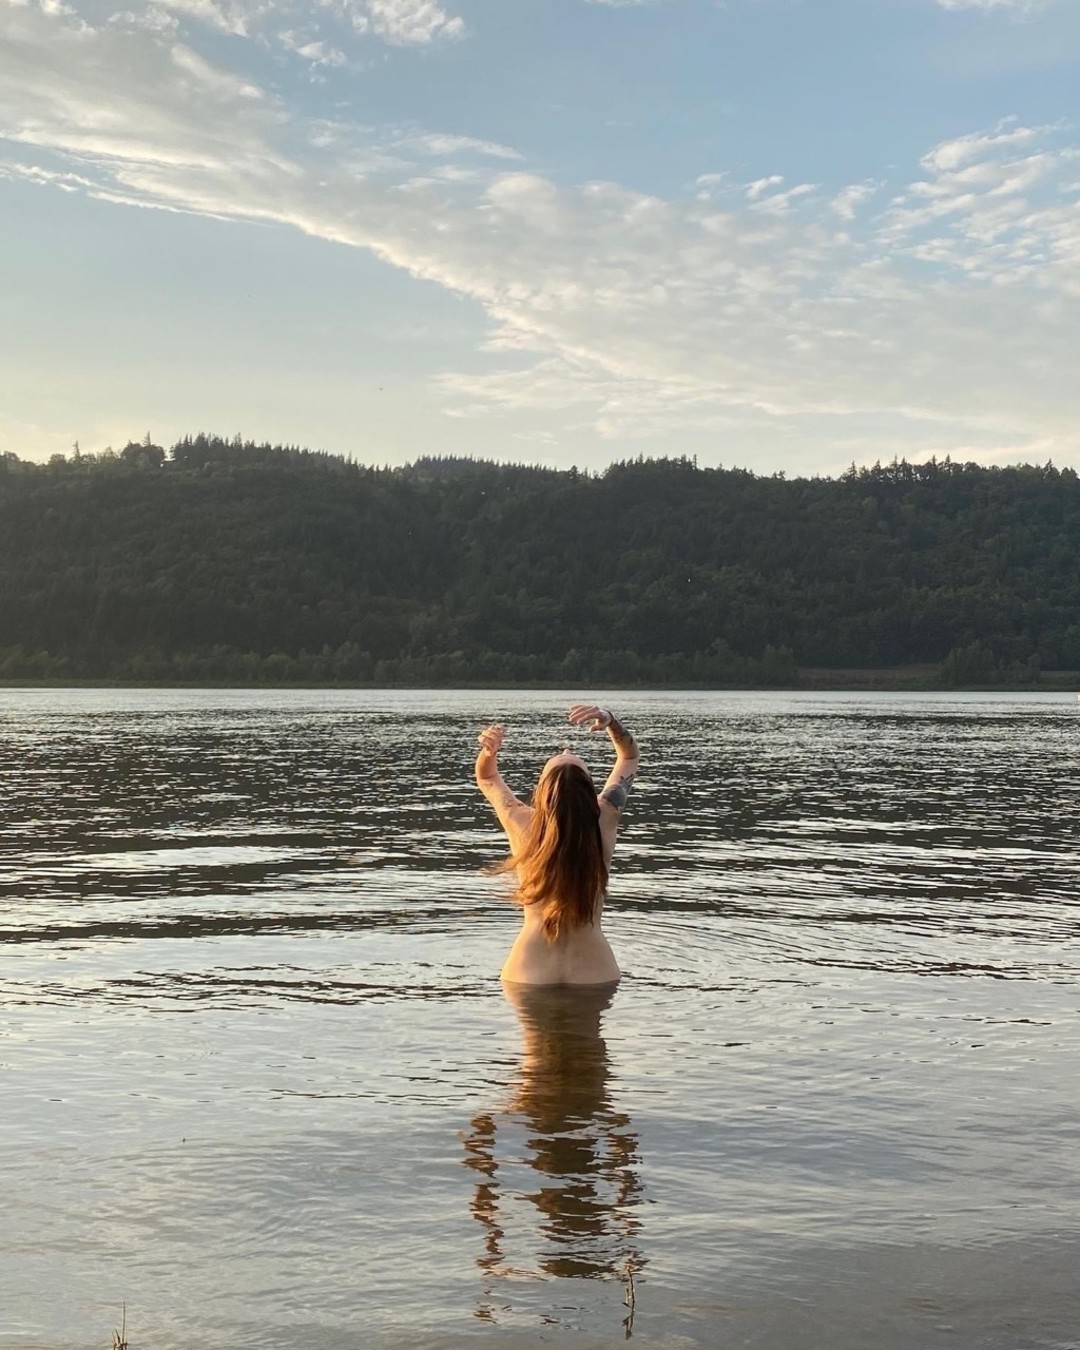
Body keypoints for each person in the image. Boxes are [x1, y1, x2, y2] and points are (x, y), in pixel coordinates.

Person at [474, 703, 639, 985]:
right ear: (589, 792)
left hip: (528, 970)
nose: (566, 750)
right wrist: (611, 722)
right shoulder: (605, 816)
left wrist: (489, 752)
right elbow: (629, 756)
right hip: (594, 971)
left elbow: (487, 778)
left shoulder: (520, 819)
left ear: (541, 791)